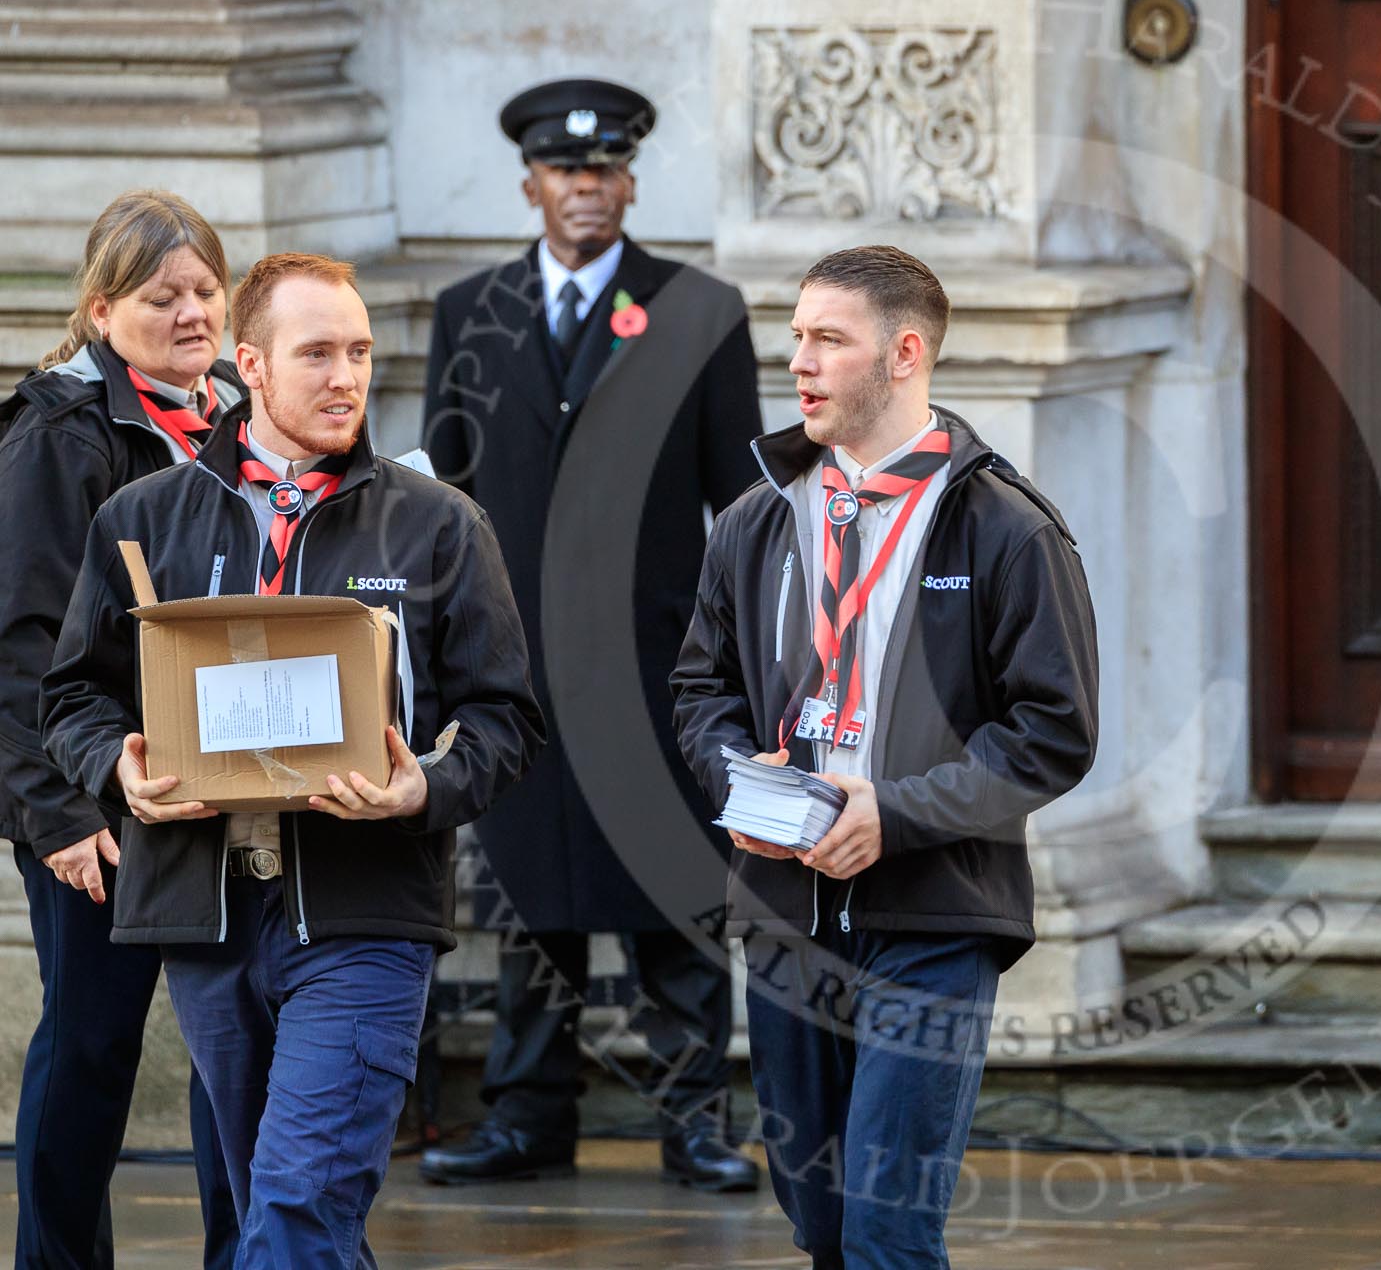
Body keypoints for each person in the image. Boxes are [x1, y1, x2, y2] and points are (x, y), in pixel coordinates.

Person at [41, 252, 545, 1266]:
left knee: (299, 1198)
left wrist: (423, 786)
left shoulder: (440, 523)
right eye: (317, 352)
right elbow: (70, 697)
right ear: (251, 366)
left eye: (359, 351)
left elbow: (509, 722)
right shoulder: (142, 519)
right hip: (205, 912)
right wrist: (118, 772)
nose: (346, 375)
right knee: (255, 1209)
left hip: (365, 914)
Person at [671, 245, 1100, 1268]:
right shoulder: (756, 515)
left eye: (830, 339)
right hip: (782, 907)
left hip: (937, 914)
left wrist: (895, 811)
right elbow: (700, 690)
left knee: (887, 1228)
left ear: (905, 353)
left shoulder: (1005, 525)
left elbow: (1054, 731)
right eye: (797, 339)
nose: (801, 363)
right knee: (820, 1222)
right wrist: (740, 777)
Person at [417, 77, 762, 1190]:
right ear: (531, 184)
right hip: (514, 675)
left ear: (631, 181)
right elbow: (444, 505)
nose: (588, 189)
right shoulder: (472, 310)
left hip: (659, 670)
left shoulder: (700, 310)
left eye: (607, 170)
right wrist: (438, 658)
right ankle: (528, 1116)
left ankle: (698, 1120)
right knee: (528, 905)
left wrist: (738, 668)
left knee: (676, 900)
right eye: (568, 172)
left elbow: (743, 513)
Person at [0, 189, 240, 1269]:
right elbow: (18, 642)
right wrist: (51, 813)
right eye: (162, 295)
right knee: (93, 1042)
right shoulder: (59, 430)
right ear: (102, 311)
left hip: (227, 782)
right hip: (90, 791)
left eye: (205, 289)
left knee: (236, 1046)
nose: (193, 312)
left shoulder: (244, 410)